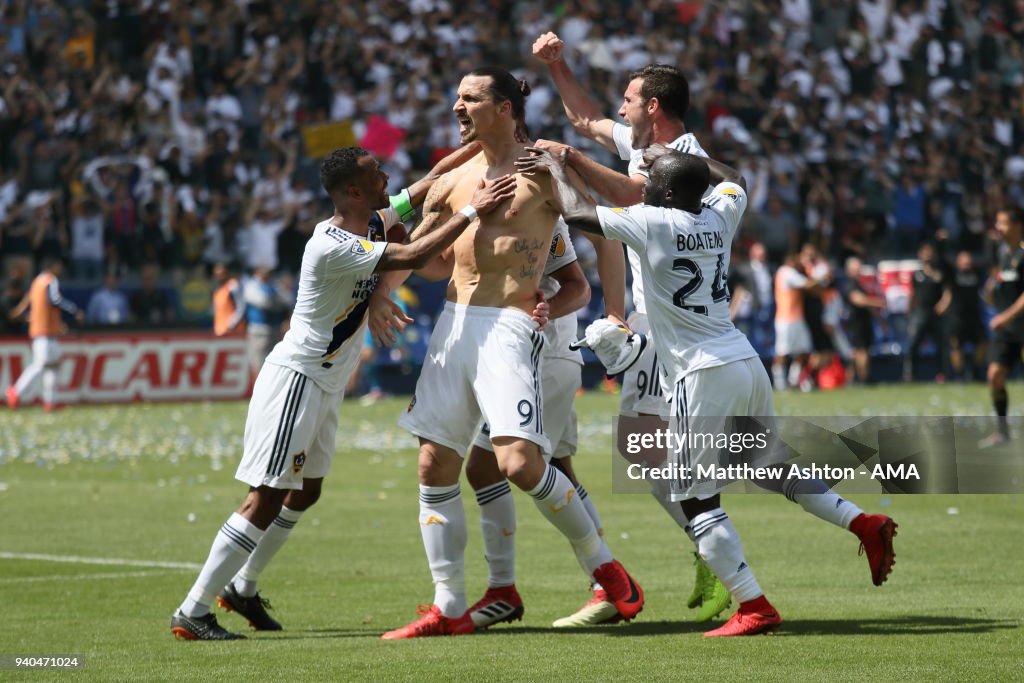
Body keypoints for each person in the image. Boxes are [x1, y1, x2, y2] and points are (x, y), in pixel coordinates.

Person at [519, 144, 898, 636]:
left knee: (696, 499)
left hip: (700, 374)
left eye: (652, 185)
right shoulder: (720, 215)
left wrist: (555, 166)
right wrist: (685, 158)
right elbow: (734, 175)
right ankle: (861, 523)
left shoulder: (654, 223)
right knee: (772, 467)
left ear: (670, 194)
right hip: (743, 359)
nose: (642, 190)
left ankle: (753, 604)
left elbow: (577, 213)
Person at [168, 144, 508, 641]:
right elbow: (412, 254)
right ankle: (193, 610)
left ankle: (242, 587)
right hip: (298, 379)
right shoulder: (331, 243)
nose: (388, 176)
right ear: (352, 189)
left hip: (325, 384)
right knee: (266, 496)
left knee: (306, 491)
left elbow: (429, 180)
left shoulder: (374, 219)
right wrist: (476, 208)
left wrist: (479, 143)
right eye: (376, 174)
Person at [383, 67, 644, 640]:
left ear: (502, 107)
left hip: (509, 325)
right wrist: (416, 229)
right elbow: (423, 260)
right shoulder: (455, 176)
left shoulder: (542, 168)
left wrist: (612, 309)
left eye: (469, 97)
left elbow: (604, 230)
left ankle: (604, 566)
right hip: (452, 323)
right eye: (456, 96)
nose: (458, 106)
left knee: (520, 464)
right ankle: (448, 606)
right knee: (435, 464)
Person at [531, 31, 729, 623]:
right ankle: (714, 551)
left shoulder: (679, 163)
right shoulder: (647, 147)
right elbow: (586, 118)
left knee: (647, 451)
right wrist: (558, 67)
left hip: (672, 325)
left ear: (655, 110)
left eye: (629, 99)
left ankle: (718, 557)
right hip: (663, 322)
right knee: (654, 452)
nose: (619, 109)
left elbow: (621, 197)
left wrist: (566, 161)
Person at [462, 218, 605, 629]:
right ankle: (604, 583)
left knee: (488, 466)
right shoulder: (489, 203)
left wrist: (548, 313)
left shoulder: (541, 212)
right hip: (533, 358)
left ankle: (602, 582)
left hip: (544, 358)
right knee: (559, 469)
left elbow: (578, 284)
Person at [6, 258, 84, 411]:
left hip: (44, 331)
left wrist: (57, 324)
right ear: (51, 266)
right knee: (40, 365)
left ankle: (50, 402)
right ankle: (16, 391)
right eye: (58, 265)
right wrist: (74, 310)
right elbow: (54, 300)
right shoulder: (50, 280)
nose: (60, 268)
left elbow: (41, 307)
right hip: (45, 333)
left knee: (53, 367)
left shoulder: (36, 282)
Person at [979, 208, 1024, 447]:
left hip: (1015, 324)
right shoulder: (1002, 253)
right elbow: (1000, 283)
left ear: (1018, 225)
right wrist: (991, 290)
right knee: (994, 375)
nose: (998, 227)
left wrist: (1004, 317)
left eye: (1003, 223)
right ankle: (1003, 431)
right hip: (1007, 330)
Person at [904, 242, 950, 382]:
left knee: (941, 345)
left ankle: (941, 374)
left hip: (936, 313)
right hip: (920, 312)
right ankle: (911, 375)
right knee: (913, 344)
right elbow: (912, 293)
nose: (928, 254)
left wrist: (943, 304)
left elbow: (947, 291)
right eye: (925, 251)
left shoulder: (940, 273)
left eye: (930, 251)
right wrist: (909, 309)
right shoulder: (917, 274)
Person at [772, 252, 816, 390]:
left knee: (802, 351)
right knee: (782, 352)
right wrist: (823, 277)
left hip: (797, 319)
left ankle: (793, 379)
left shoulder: (789, 272)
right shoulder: (786, 272)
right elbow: (807, 284)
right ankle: (779, 383)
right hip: (786, 320)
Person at [840, 257, 886, 384]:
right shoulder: (850, 283)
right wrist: (878, 302)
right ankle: (862, 377)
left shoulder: (859, 284)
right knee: (861, 349)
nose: (859, 270)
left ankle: (858, 377)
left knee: (861, 349)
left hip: (862, 320)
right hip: (856, 321)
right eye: (856, 268)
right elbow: (858, 300)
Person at [946, 251, 986, 382]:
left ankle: (975, 371)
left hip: (975, 317)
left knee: (983, 344)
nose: (966, 263)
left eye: (968, 260)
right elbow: (942, 261)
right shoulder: (952, 274)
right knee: (956, 347)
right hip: (957, 318)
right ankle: (960, 375)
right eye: (963, 260)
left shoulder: (977, 273)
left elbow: (990, 261)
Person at [211, 263, 245, 337]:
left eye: (222, 274)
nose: (219, 277)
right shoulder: (217, 290)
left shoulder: (233, 286)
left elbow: (241, 307)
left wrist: (231, 325)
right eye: (217, 274)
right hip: (220, 331)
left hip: (233, 331)